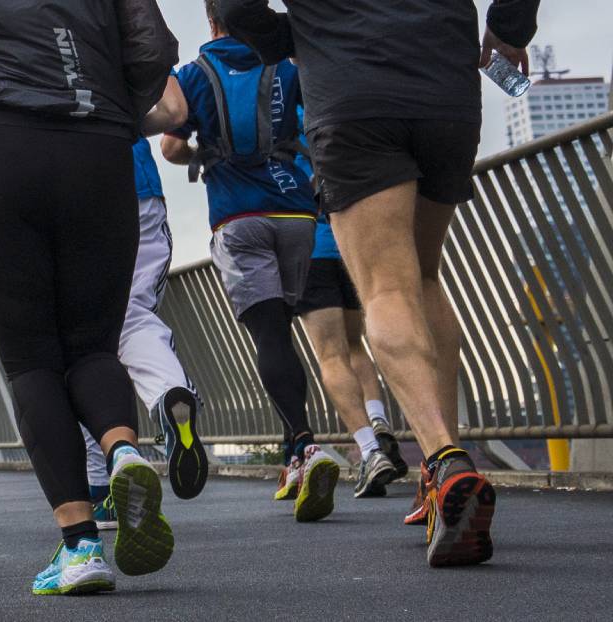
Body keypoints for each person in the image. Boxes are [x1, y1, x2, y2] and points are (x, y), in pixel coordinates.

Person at [219, 0, 539, 568]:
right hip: (446, 86)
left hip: (351, 89)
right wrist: (509, 29)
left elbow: (234, 6)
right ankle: (440, 472)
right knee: (425, 272)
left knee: (388, 288)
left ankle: (443, 459)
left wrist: (287, 39)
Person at [0, 0, 179, 595]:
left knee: (31, 359)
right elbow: (153, 49)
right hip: (97, 149)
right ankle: (123, 451)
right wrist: (108, 103)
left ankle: (81, 547)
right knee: (95, 346)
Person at [158, 2, 339, 522]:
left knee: (270, 338)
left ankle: (304, 446)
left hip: (239, 219)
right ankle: (292, 458)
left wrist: (203, 155)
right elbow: (317, 118)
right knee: (284, 327)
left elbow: (170, 147)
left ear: (212, 20)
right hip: (298, 215)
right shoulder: (285, 61)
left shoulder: (192, 74)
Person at [84, 81, 209, 533]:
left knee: (79, 340)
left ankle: (100, 488)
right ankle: (168, 391)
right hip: (135, 185)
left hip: (64, 185)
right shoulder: (123, 15)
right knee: (133, 312)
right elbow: (175, 111)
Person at [296, 222, 408, 498]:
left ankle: (371, 451)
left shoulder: (282, 174)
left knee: (332, 355)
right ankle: (378, 418)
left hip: (310, 254)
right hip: (347, 248)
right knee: (355, 344)